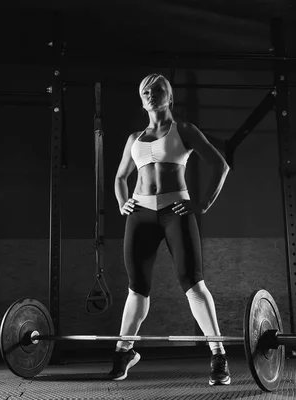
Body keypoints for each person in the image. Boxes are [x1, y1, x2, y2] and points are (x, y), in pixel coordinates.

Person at [109, 73, 231, 385]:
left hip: (175, 211)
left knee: (192, 282)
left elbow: (221, 165)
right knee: (136, 287)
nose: (151, 93)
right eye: (145, 90)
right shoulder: (133, 139)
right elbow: (120, 177)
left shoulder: (184, 130)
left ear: (169, 95)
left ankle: (218, 356)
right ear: (141, 100)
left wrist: (201, 206)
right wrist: (123, 202)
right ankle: (124, 352)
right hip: (140, 216)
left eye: (157, 88)